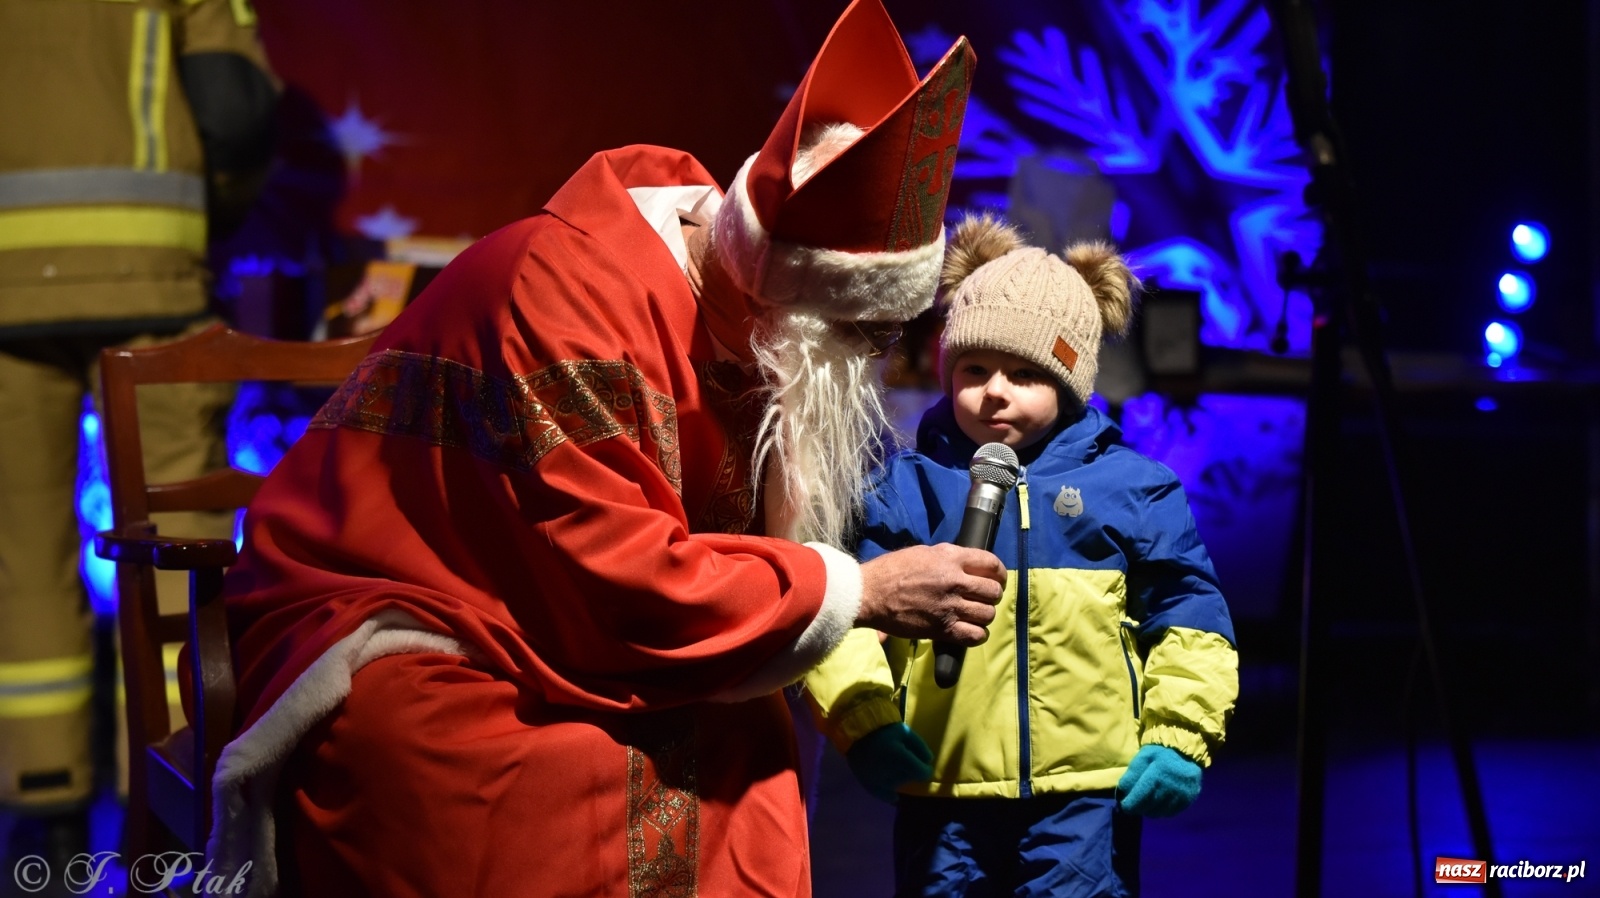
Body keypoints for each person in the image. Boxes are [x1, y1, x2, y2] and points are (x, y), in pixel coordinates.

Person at [202, 2, 1000, 895]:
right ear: (794, 303)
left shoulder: (747, 309)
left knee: (740, 744)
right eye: (859, 339)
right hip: (422, 606)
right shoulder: (568, 301)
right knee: (506, 777)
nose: (870, 364)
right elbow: (620, 578)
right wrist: (862, 592)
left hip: (580, 613)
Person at [801, 213, 1240, 896]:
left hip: (1087, 797)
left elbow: (1190, 616)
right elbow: (847, 613)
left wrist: (1179, 734)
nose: (995, 390)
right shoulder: (904, 489)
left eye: (1026, 373)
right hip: (943, 786)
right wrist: (866, 724)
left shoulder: (1134, 489)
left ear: (1068, 383)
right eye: (974, 368)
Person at [0, 0, 275, 870]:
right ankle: (171, 802)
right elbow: (233, 107)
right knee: (176, 550)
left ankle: (41, 805)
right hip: (154, 272)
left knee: (20, 552)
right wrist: (207, 216)